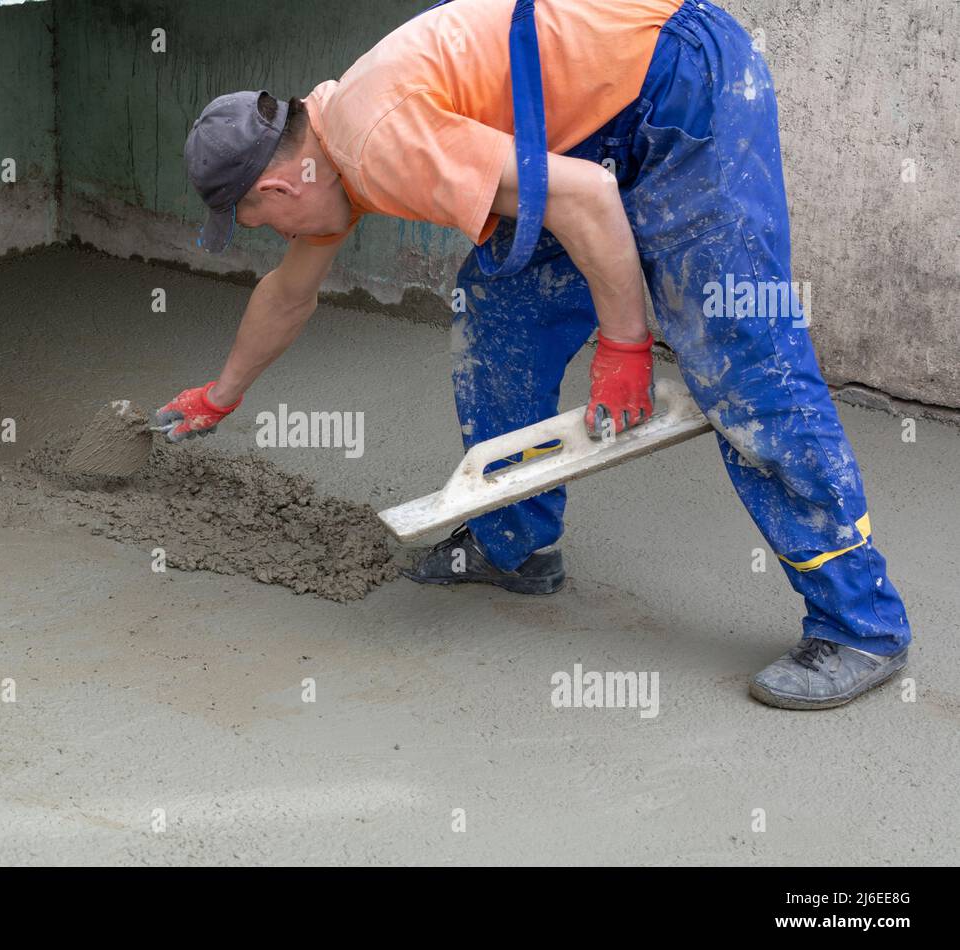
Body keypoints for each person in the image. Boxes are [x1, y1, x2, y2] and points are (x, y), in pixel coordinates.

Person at [154, 0, 910, 709]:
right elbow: (288, 293)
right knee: (501, 311)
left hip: (673, 78)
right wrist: (220, 395)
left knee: (740, 348)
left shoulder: (376, 140)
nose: (278, 238)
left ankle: (859, 625)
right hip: (585, 124)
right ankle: (512, 544)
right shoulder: (333, 150)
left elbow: (583, 198)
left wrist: (624, 344)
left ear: (281, 187)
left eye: (258, 221)